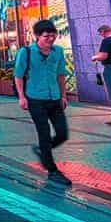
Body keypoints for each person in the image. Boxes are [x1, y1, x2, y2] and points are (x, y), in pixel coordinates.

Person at [15, 19, 72, 186]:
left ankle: (42, 150)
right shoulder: (26, 52)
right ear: (37, 36)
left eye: (53, 35)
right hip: (35, 99)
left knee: (62, 133)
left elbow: (61, 75)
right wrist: (21, 97)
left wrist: (63, 95)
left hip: (54, 98)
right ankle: (52, 170)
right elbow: (18, 75)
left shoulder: (58, 52)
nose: (50, 39)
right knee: (44, 133)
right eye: (46, 36)